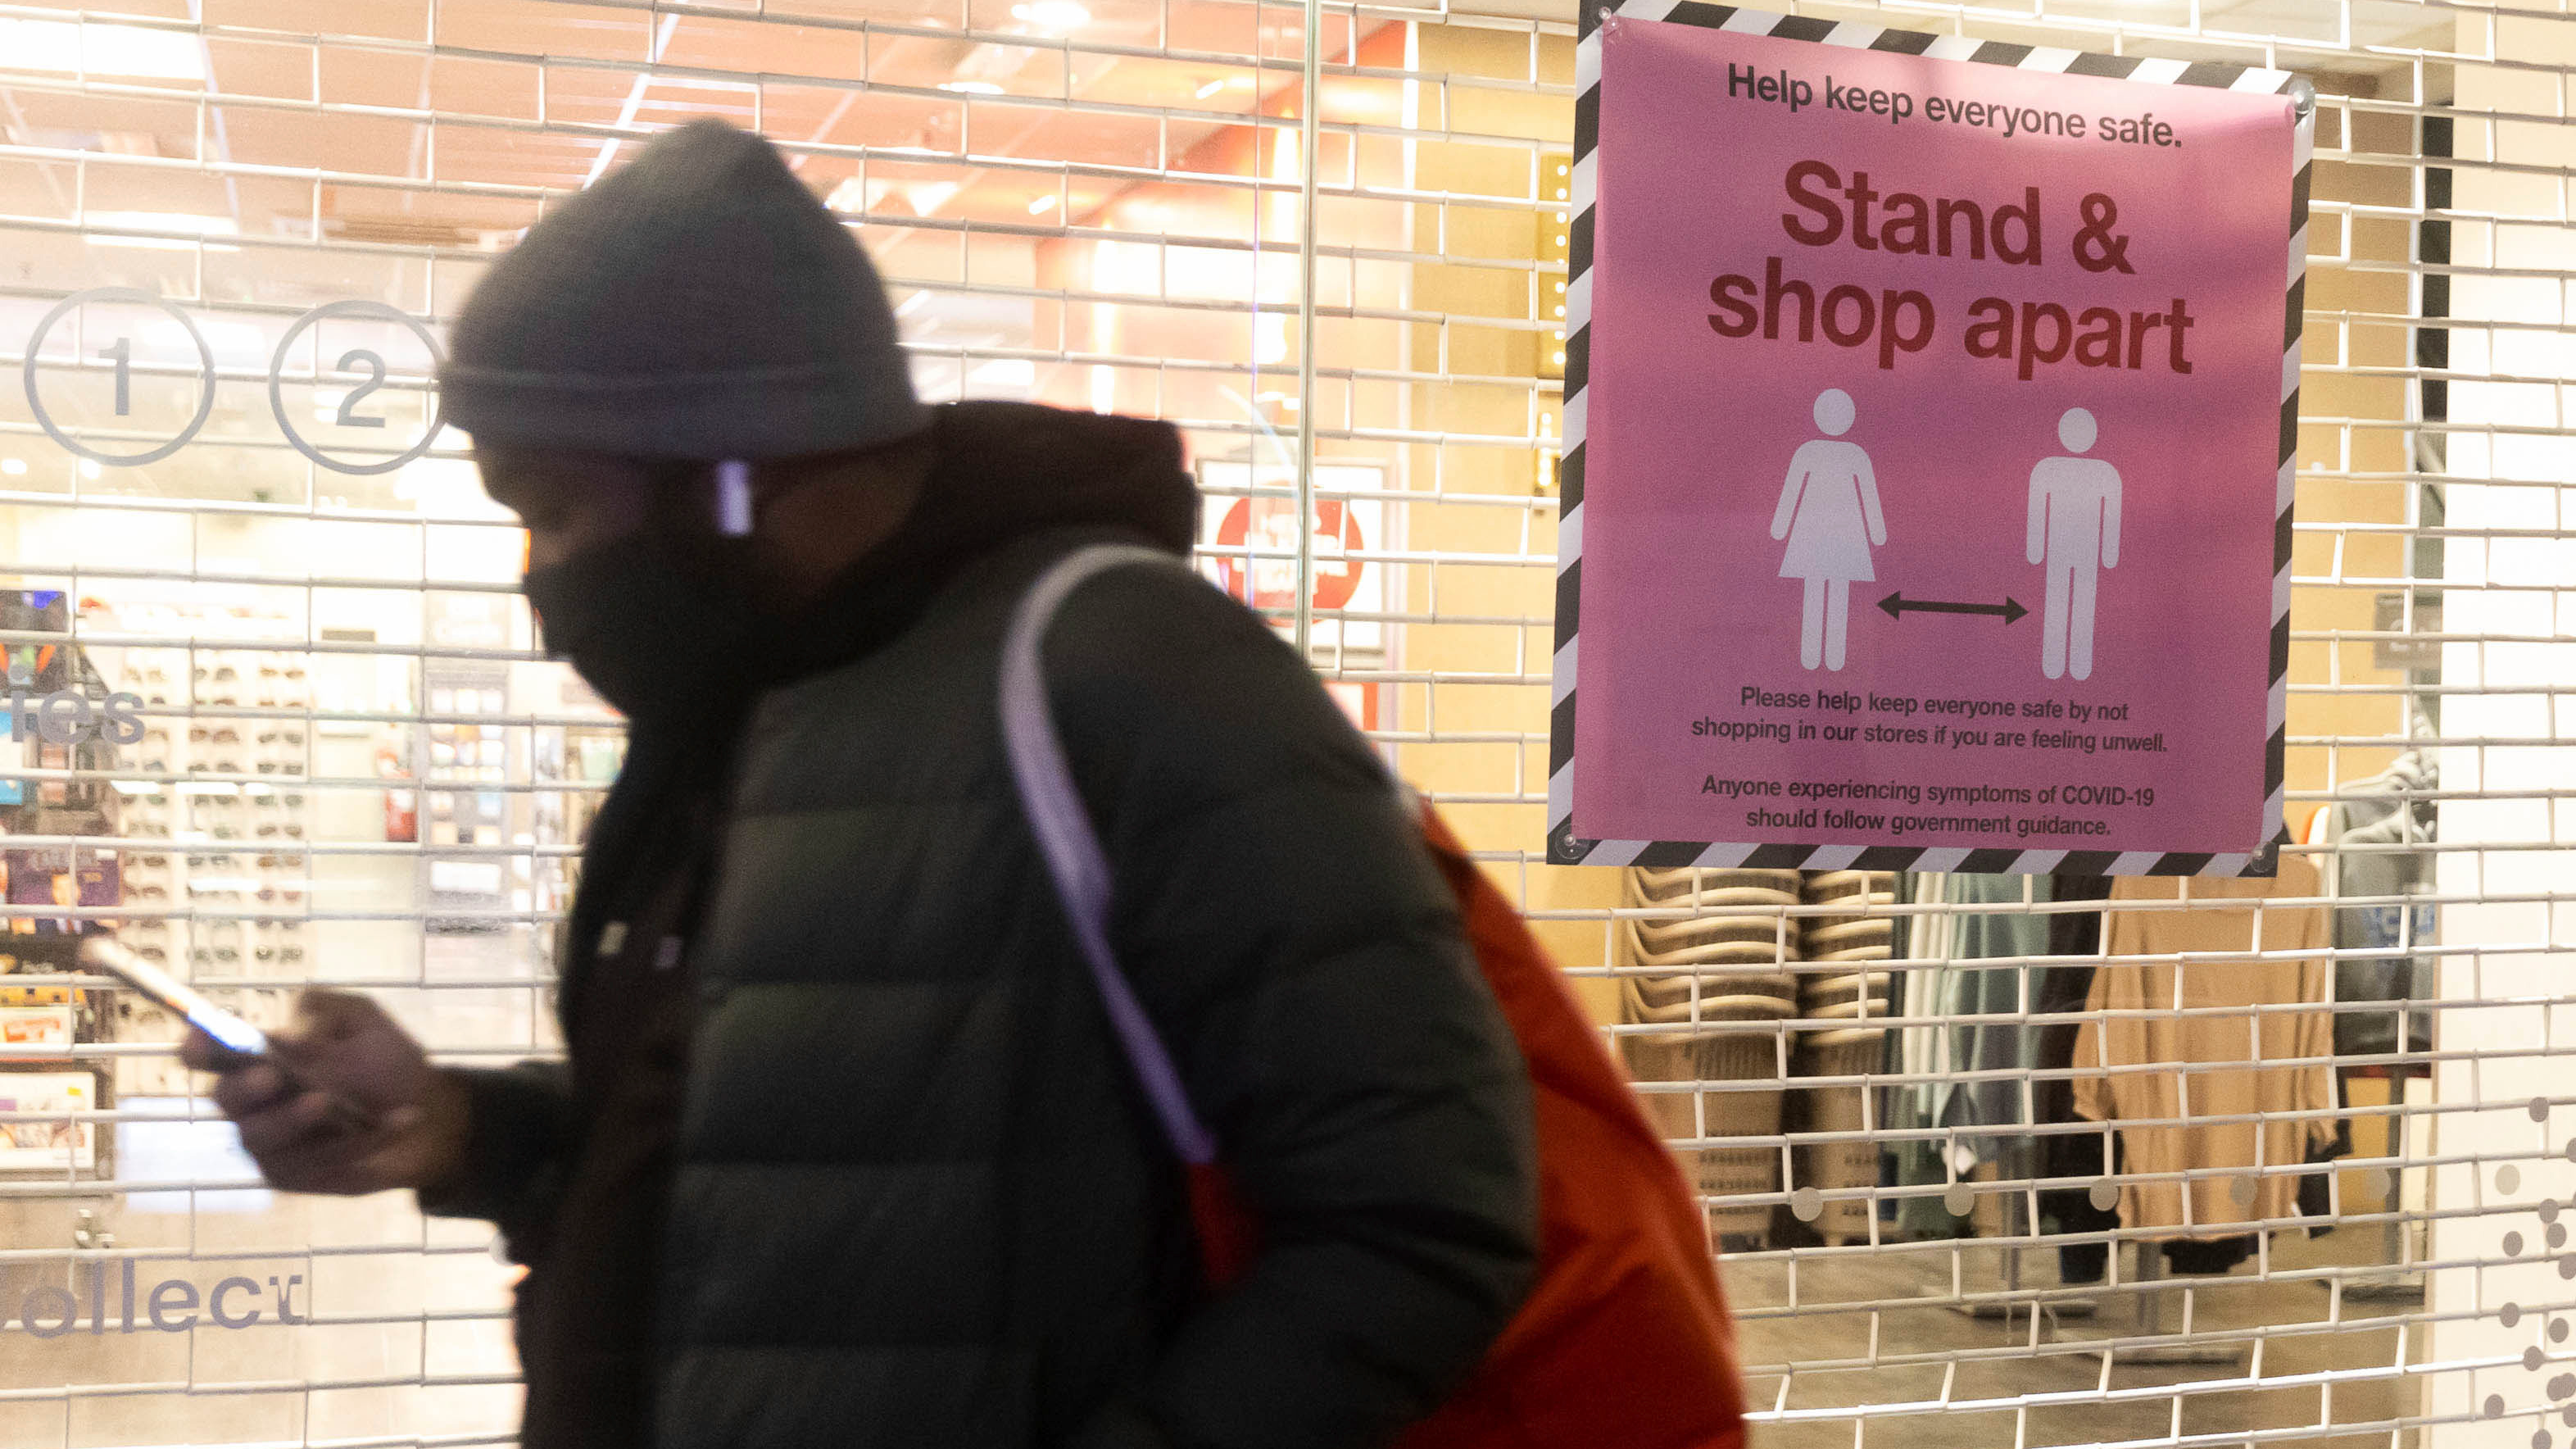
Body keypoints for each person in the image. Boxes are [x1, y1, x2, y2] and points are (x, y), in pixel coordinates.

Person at [184, 119, 1538, 1449]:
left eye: (552, 509)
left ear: (734, 482)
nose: (541, 577)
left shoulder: (1125, 673)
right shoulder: (738, 701)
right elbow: (751, 1163)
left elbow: (1418, 1227)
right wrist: (458, 1129)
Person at [1769, 388, 1887, 671]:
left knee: (1829, 590)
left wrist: (1780, 528)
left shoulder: (1826, 452)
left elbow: (1868, 493)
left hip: (1829, 532)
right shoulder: (1835, 453)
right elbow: (1793, 489)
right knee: (1827, 590)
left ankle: (1826, 658)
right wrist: (1877, 532)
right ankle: (1820, 657)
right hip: (1833, 532)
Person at [2025, 406, 2122, 681]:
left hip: (2079, 549)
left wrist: (2035, 550)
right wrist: (2035, 549)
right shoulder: (2051, 469)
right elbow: (2037, 511)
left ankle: (2071, 665)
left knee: (2076, 603)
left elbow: (2112, 516)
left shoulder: (2101, 473)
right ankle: (2058, 664)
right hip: (2068, 548)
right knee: (2068, 602)